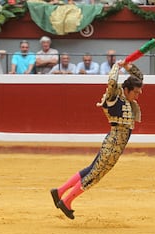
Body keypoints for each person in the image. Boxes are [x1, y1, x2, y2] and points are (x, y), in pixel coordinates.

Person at [50, 59, 144, 219]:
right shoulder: (114, 95)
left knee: (91, 169)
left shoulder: (127, 97)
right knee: (95, 174)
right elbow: (112, 81)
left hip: (114, 142)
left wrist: (128, 67)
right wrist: (117, 66)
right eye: (135, 92)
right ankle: (66, 201)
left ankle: (59, 191)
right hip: (114, 143)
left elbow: (139, 78)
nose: (137, 96)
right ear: (126, 90)